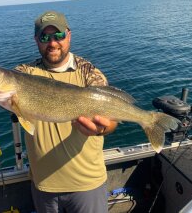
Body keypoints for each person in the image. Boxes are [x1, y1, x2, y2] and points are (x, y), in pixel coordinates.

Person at [14, 11, 118, 213]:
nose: (52, 43)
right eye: (45, 37)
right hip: (43, 186)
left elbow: (111, 120)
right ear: (36, 40)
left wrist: (100, 130)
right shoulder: (25, 73)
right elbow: (6, 91)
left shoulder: (89, 73)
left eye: (58, 36)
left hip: (87, 185)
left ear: (69, 35)